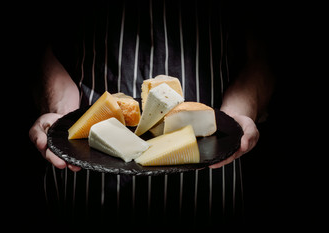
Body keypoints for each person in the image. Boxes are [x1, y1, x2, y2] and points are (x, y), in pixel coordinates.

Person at [29, 0, 274, 173]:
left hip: (208, 178)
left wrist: (236, 115)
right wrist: (61, 111)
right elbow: (41, 45)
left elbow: (263, 54)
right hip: (88, 173)